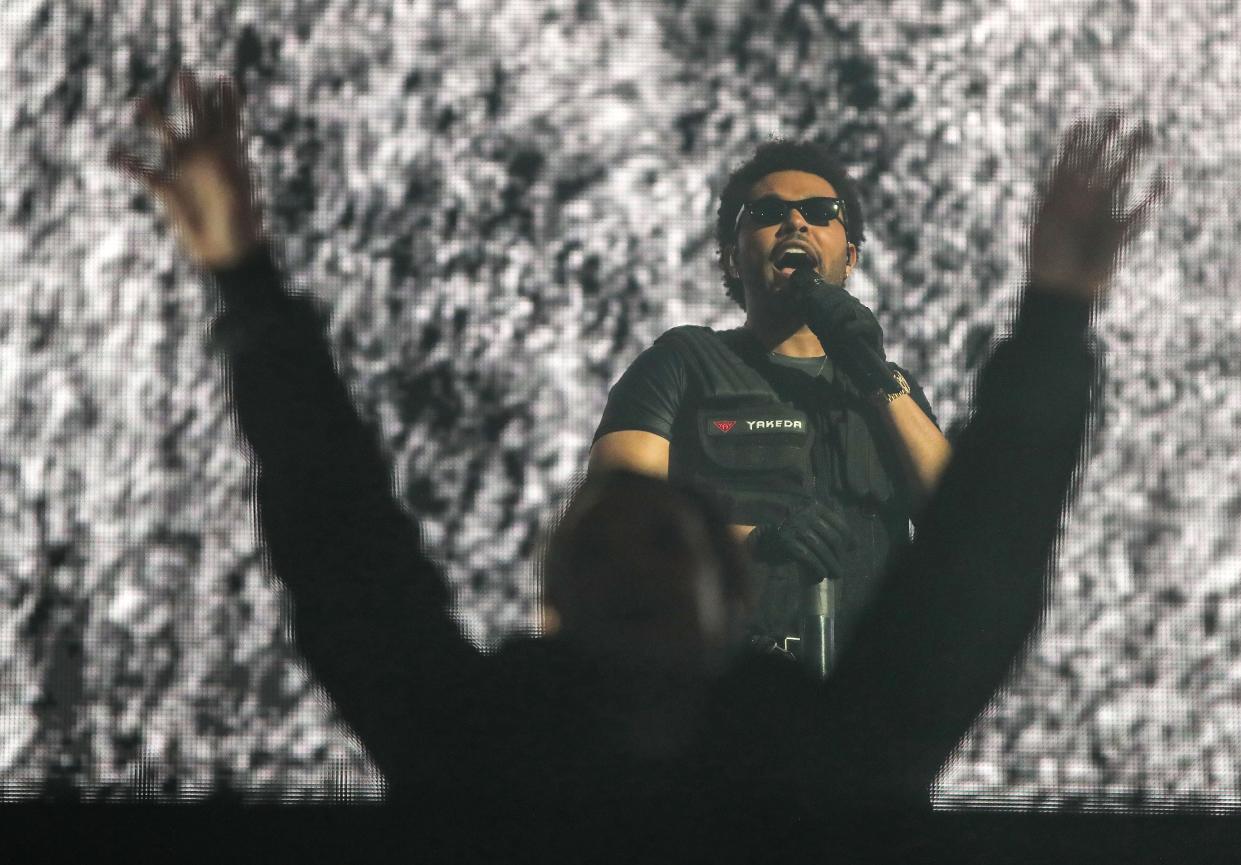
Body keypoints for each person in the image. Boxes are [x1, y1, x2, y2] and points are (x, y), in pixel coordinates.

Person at [109, 70, 1159, 853]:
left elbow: (979, 554)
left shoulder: (828, 755)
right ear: (551, 599)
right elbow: (339, 534)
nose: (628, 567)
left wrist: (1057, 314)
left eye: (657, 540)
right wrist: (239, 280)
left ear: (731, 592)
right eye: (600, 550)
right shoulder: (832, 759)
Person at [589, 140, 953, 662]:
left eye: (821, 213)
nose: (796, 223)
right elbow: (612, 526)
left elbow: (962, 525)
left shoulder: (891, 390)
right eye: (768, 213)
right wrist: (755, 541)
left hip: (865, 697)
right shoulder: (681, 363)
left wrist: (873, 373)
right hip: (726, 693)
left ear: (849, 258)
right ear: (733, 259)